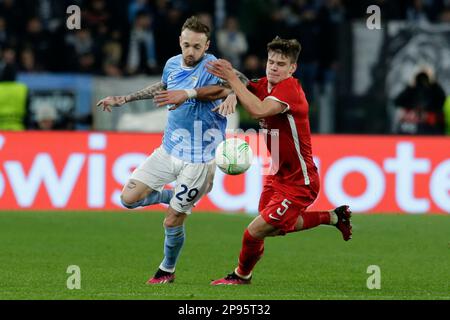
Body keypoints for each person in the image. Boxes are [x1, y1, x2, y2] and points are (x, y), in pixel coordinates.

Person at [96, 16, 240, 284]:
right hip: (168, 149)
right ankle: (170, 196)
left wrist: (229, 92)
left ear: (207, 45)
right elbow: (163, 86)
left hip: (199, 160)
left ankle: (166, 270)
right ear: (180, 42)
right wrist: (124, 99)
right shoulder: (172, 64)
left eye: (197, 47)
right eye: (186, 45)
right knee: (128, 199)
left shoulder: (216, 66)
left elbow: (239, 82)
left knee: (172, 220)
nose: (190, 52)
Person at [203, 37, 352, 285]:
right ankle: (334, 217)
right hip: (278, 173)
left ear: (292, 68)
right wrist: (232, 92)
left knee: (254, 232)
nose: (273, 67)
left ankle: (241, 275)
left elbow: (258, 110)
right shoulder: (264, 85)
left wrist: (231, 81)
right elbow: (245, 85)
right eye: (271, 61)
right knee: (274, 226)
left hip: (300, 181)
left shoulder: (290, 91)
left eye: (281, 64)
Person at [393, 69, 446, 135]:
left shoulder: (434, 92)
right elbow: (397, 102)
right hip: (412, 130)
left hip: (430, 130)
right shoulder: (411, 92)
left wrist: (433, 83)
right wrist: (411, 85)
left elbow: (442, 99)